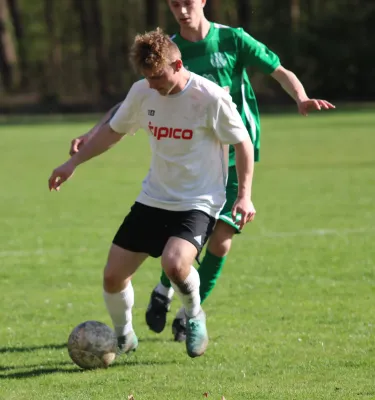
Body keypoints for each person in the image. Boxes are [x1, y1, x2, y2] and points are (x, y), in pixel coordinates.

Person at [69, 0, 335, 342]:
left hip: (237, 156)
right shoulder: (164, 52)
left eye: (187, 1)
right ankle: (165, 294)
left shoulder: (232, 41)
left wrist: (300, 97)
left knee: (218, 244)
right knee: (174, 256)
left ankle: (186, 312)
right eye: (174, 3)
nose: (181, 9)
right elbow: (130, 105)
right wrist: (89, 137)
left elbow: (278, 70)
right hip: (186, 163)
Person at [49, 28, 256, 358]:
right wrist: (73, 163)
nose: (153, 84)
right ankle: (124, 336)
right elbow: (113, 132)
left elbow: (243, 143)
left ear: (177, 64)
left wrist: (244, 195)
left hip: (198, 201)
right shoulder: (143, 92)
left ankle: (194, 314)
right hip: (154, 198)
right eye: (147, 77)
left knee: (175, 264)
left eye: (158, 76)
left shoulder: (210, 97)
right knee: (113, 276)